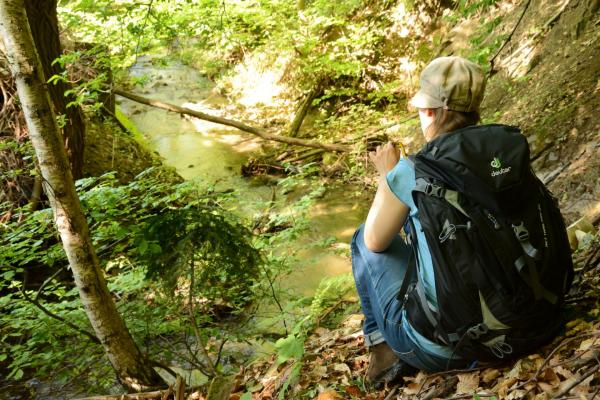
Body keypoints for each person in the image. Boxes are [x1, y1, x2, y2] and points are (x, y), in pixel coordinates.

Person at [351, 56, 487, 386]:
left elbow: (375, 241)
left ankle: (383, 348)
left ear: (431, 111)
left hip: (448, 349)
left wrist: (388, 177)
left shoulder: (415, 171)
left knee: (360, 239)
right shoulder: (500, 153)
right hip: (520, 319)